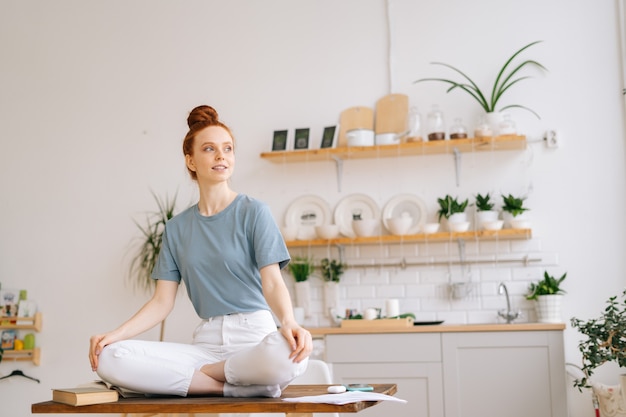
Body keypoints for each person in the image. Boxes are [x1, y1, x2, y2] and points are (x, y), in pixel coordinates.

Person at [89, 105, 312, 398]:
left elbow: (271, 281)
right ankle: (235, 388)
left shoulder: (254, 212)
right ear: (191, 161)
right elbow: (161, 302)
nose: (222, 156)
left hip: (254, 337)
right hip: (205, 344)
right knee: (111, 358)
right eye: (209, 149)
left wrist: (289, 322)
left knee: (285, 354)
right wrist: (113, 336)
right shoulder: (176, 228)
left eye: (228, 148)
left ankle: (203, 379)